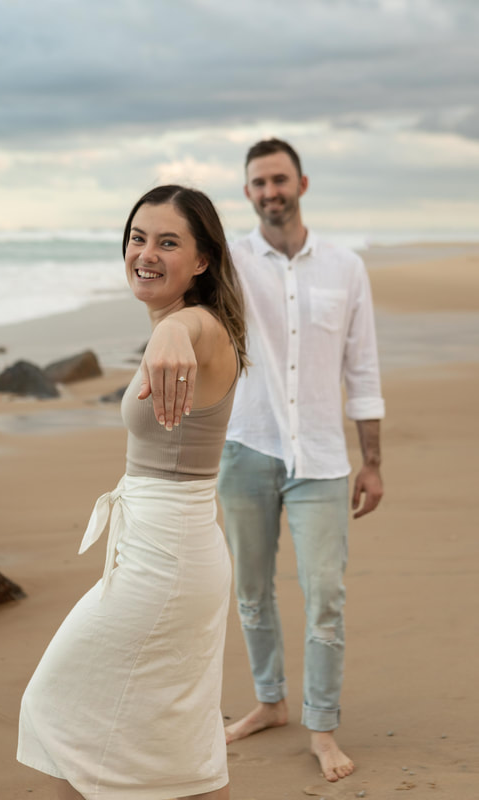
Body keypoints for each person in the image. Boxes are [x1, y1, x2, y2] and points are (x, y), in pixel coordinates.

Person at [17, 184, 247, 800]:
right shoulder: (189, 323)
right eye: (138, 237)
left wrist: (173, 333)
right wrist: (167, 330)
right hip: (165, 551)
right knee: (177, 742)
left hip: (167, 560)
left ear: (202, 261)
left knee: (60, 703)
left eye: (168, 242)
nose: (145, 253)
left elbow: (194, 331)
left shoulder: (199, 328)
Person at [217, 138, 385, 783]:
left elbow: (362, 369)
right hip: (245, 447)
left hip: (321, 457)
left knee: (326, 597)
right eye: (258, 183)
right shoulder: (229, 261)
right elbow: (183, 307)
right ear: (247, 193)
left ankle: (322, 726)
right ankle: (269, 701)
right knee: (251, 591)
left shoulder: (346, 268)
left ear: (303, 183)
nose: (270, 192)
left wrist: (371, 462)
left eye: (279, 179)